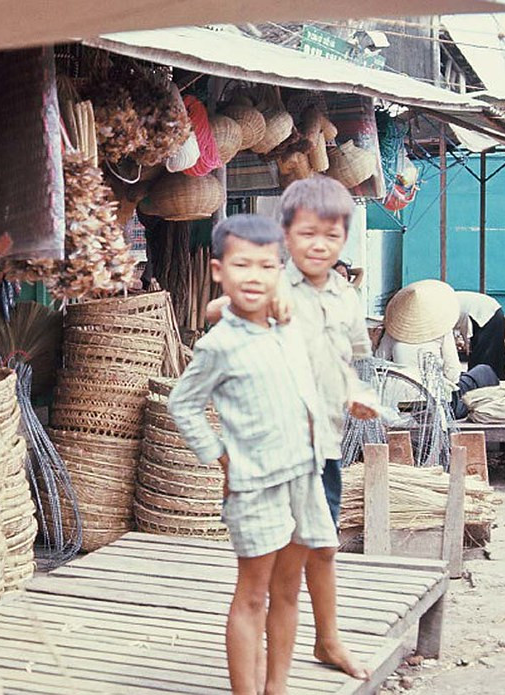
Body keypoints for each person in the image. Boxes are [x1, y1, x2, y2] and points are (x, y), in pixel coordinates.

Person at [205, 176, 375, 681]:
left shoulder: (346, 295)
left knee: (322, 546)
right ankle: (269, 670)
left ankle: (327, 642)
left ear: (344, 237)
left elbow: (346, 361)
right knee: (277, 569)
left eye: (331, 235)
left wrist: (356, 392)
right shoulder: (273, 281)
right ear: (285, 235)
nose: (318, 245)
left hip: (324, 441)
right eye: (306, 234)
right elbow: (218, 310)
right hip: (274, 448)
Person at [169, 214, 339, 695]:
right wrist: (221, 456)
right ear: (218, 269)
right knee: (253, 595)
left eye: (267, 266)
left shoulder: (287, 324)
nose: (254, 275)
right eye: (241, 265)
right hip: (255, 484)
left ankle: (276, 687)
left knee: (288, 591)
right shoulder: (219, 346)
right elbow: (182, 403)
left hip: (303, 475)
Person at [377, 280, 499, 419]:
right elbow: (452, 374)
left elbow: (379, 363)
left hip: (397, 397)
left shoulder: (391, 333)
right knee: (484, 371)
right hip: (438, 402)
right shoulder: (441, 331)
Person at [455, 290, 505, 380]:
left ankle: (481, 380)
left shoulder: (444, 306)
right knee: (484, 353)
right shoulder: (447, 301)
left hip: (489, 314)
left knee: (484, 355)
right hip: (487, 312)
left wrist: (466, 341)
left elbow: (464, 321)